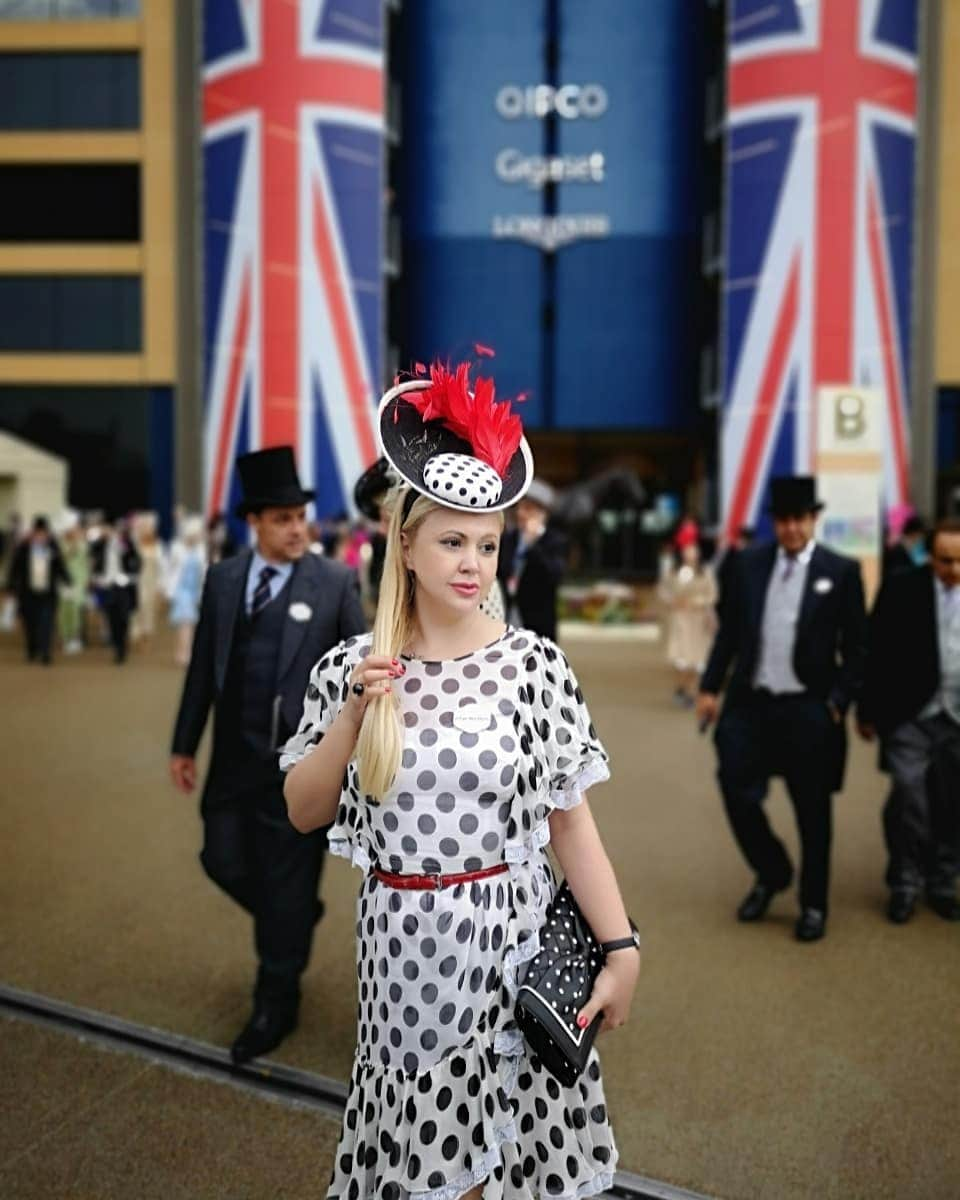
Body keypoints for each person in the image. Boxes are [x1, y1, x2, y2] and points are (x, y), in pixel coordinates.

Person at [282, 360, 638, 1200]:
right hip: (403, 956)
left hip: (507, 945)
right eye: (452, 540)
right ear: (402, 542)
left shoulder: (532, 668)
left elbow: (571, 823)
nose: (473, 562)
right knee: (429, 1170)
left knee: (497, 1169)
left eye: (487, 542)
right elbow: (302, 811)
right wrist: (351, 718)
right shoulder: (351, 667)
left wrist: (620, 949)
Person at [169, 446, 366, 1064]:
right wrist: (183, 742)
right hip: (231, 763)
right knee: (219, 858)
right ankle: (290, 919)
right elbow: (203, 667)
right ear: (252, 520)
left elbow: (362, 673)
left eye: (300, 515)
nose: (297, 528)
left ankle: (273, 1004)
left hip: (296, 773)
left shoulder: (334, 583)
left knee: (281, 885)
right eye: (282, 517)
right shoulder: (225, 580)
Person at [696, 476, 867, 943]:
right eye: (784, 520)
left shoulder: (842, 572)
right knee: (734, 787)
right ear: (775, 522)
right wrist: (710, 686)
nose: (792, 529)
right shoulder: (748, 565)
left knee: (812, 811)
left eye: (800, 519)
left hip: (809, 709)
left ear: (813, 519)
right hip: (750, 704)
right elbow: (730, 633)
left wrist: (838, 701)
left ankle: (814, 903)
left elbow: (858, 649)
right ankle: (772, 871)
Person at [858, 517, 960, 923]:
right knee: (909, 794)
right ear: (928, 556)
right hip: (910, 714)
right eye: (944, 561)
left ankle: (942, 880)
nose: (954, 570)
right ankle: (904, 880)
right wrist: (866, 710)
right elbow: (875, 650)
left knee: (954, 802)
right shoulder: (902, 587)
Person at [497, 477, 567, 640]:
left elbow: (553, 576)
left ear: (542, 514)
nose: (521, 514)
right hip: (508, 613)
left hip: (537, 621)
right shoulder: (509, 539)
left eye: (528, 509)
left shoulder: (555, 541)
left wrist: (531, 546)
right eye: (520, 508)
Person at [658, 540, 718, 707]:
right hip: (680, 619)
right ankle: (681, 688)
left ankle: (690, 691)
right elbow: (663, 590)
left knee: (697, 660)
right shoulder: (674, 572)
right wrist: (673, 601)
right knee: (681, 659)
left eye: (693, 549)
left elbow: (712, 595)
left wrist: (696, 602)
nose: (690, 553)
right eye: (687, 550)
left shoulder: (705, 572)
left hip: (698, 622)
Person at [6, 515, 71, 664]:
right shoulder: (24, 547)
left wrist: (67, 581)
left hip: (48, 593)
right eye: (38, 533)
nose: (41, 536)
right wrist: (10, 586)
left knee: (47, 623)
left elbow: (60, 566)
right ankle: (32, 649)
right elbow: (15, 568)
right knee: (30, 624)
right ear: (33, 532)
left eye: (44, 533)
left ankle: (46, 652)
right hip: (28, 593)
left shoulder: (53, 547)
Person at [90, 518, 141, 664]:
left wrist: (131, 574)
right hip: (106, 586)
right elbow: (93, 562)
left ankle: (122, 648)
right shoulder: (99, 545)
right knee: (111, 618)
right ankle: (117, 645)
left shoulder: (126, 543)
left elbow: (135, 561)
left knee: (123, 618)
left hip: (123, 586)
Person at [167, 515, 206, 667]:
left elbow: (203, 571)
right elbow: (171, 570)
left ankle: (181, 652)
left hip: (194, 592)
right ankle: (186, 654)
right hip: (181, 591)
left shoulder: (200, 550)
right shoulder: (177, 548)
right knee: (186, 624)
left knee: (189, 625)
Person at [56, 511, 90, 654]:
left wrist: (88, 578)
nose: (74, 531)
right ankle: (65, 637)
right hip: (63, 581)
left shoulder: (83, 543)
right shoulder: (60, 544)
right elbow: (62, 560)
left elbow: (86, 563)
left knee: (76, 609)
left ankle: (75, 638)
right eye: (71, 528)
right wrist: (73, 546)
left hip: (79, 581)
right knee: (64, 610)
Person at [883, 513, 928, 578]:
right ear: (914, 534)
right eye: (920, 537)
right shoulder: (897, 552)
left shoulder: (907, 550)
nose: (920, 541)